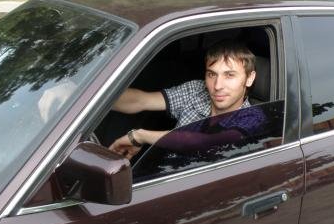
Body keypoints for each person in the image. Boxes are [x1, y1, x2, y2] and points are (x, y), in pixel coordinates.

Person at [108, 40, 259, 159]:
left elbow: (204, 143)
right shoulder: (197, 90)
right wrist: (98, 95)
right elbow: (140, 101)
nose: (217, 86)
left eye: (229, 75)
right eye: (212, 74)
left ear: (249, 78)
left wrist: (140, 136)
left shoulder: (254, 118)